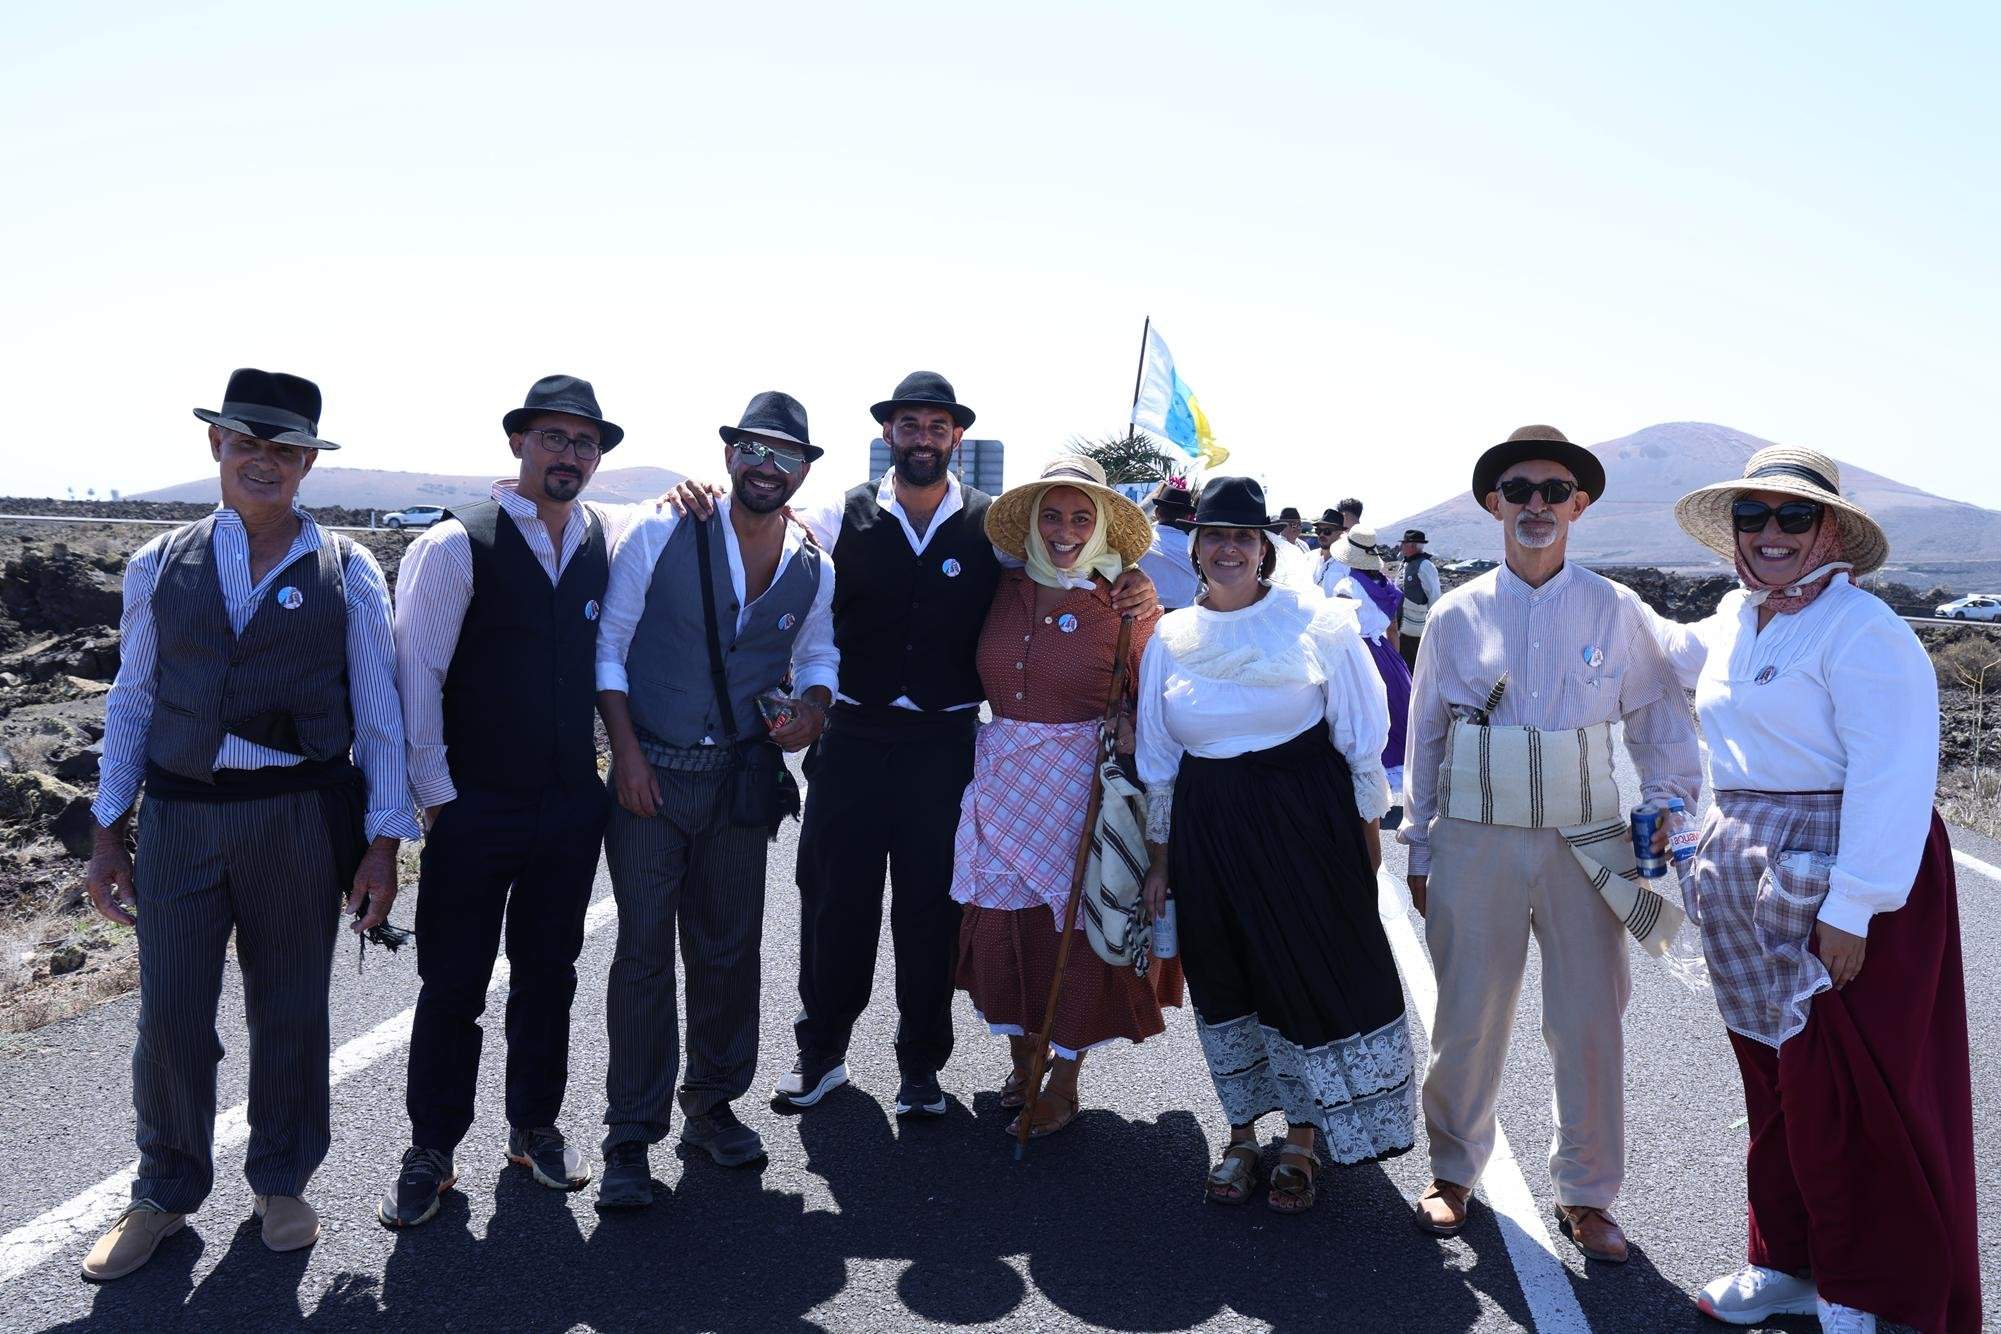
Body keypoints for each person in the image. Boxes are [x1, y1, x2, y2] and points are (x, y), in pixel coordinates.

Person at [670, 372, 1158, 1119]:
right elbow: (763, 523)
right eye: (909, 425)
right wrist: (699, 494)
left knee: (932, 911)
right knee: (834, 903)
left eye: (936, 426)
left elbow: (1066, 567)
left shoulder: (990, 529)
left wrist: (1134, 582)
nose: (923, 438)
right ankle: (821, 1054)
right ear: (888, 434)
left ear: (956, 436)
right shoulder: (841, 514)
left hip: (944, 744)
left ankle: (921, 1067)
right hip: (853, 736)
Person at [82, 369, 419, 1280]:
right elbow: (132, 699)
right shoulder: (159, 564)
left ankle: (280, 1181)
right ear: (216, 447)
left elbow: (379, 717)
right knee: (170, 1016)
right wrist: (108, 831)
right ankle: (163, 1191)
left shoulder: (348, 568)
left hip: (297, 820)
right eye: (246, 443)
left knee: (292, 1011)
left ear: (307, 462)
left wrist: (384, 843)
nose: (263, 460)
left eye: (284, 448)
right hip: (181, 821)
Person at [1643, 448, 1979, 1332]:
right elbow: (1666, 651)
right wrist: (1566, 578)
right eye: (1751, 516)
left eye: (1793, 516)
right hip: (1746, 876)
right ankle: (1787, 1260)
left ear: (1830, 530)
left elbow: (1892, 773)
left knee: (1847, 1092)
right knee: (1775, 1083)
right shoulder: (1733, 617)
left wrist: (1853, 905)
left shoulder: (1864, 630)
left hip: (1844, 878)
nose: (1770, 533)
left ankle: (1865, 1287)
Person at [1400, 427, 1701, 1264]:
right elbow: (1426, 735)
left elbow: (1658, 723)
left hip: (1588, 840)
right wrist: (1419, 845)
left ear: (1579, 504)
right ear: (1492, 503)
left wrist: (1666, 808)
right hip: (1475, 838)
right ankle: (1452, 1171)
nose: (1536, 504)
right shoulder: (1455, 614)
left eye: (1554, 490)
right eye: (1519, 490)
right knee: (1466, 1016)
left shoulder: (1616, 609)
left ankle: (1587, 1193)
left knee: (1589, 1020)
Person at [379, 375, 628, 1227]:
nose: (570, 455)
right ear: (519, 442)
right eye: (554, 437)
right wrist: (436, 798)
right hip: (473, 804)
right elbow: (416, 675)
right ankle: (431, 1148)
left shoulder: (599, 538)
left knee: (549, 975)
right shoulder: (455, 544)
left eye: (584, 442)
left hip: (568, 804)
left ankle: (534, 1128)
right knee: (453, 982)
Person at [1136, 477, 1412, 1215]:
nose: (1228, 549)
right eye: (1215, 536)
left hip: (1304, 825)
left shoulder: (1316, 622)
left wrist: (1365, 841)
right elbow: (1158, 754)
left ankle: (1303, 1135)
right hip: (1208, 828)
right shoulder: (1169, 637)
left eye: (1243, 537)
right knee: (1225, 975)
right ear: (1195, 547)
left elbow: (1359, 737)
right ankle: (1240, 1133)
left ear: (1263, 549)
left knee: (1302, 972)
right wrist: (1160, 859)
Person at [590, 393, 839, 1209]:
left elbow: (817, 650)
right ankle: (630, 1135)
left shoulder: (813, 562)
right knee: (641, 954)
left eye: (785, 455)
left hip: (738, 776)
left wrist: (814, 706)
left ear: (804, 470)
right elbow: (609, 647)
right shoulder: (660, 528)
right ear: (729, 454)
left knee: (729, 947)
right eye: (753, 449)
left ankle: (711, 1104)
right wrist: (626, 755)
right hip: (651, 772)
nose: (767, 467)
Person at [951, 455, 1182, 1139]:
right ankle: (1024, 1060)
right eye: (1051, 516)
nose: (1065, 531)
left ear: (1103, 525)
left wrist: (1131, 721)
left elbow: (1158, 699)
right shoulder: (1000, 587)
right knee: (1003, 925)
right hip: (1002, 782)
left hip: (1084, 790)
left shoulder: (1127, 604)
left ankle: (1065, 1080)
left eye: (1082, 518)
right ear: (1031, 524)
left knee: (1078, 933)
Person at [1325, 527, 1411, 824]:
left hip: (1359, 654)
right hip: (1386, 654)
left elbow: (1340, 627)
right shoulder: (1385, 585)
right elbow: (1392, 628)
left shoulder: (1347, 585)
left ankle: (1365, 788)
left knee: (1359, 719)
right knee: (1393, 714)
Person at [1137, 477, 1200, 610]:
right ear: (1188, 517)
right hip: (1185, 615)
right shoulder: (1196, 548)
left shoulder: (1140, 541)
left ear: (1157, 513)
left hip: (1142, 613)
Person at [1395, 529, 1440, 672]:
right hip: (1402, 622)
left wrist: (1432, 622)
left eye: (1404, 544)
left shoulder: (1425, 565)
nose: (1401, 547)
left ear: (1412, 546)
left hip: (1415, 623)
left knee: (1413, 659)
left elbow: (1434, 594)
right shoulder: (1406, 563)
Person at [1309, 508, 1346, 596]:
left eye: (1327, 531)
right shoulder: (1308, 557)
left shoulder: (1347, 564)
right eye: (1318, 531)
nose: (1321, 534)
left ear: (1340, 533)